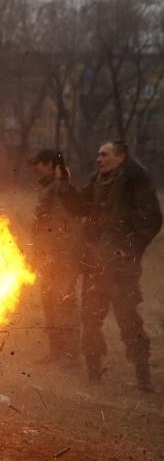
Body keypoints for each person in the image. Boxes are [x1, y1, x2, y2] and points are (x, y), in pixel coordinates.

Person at [62, 141, 161, 392]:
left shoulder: (135, 179)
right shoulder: (99, 179)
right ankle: (94, 374)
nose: (98, 159)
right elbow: (80, 207)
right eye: (98, 154)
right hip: (96, 265)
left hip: (121, 270)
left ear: (121, 156)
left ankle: (143, 377)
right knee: (90, 320)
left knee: (129, 322)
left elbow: (152, 219)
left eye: (104, 154)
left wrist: (129, 249)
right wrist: (65, 186)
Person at [26, 149, 81, 367]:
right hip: (49, 258)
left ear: (50, 164)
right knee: (49, 304)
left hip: (63, 258)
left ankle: (70, 356)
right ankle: (56, 351)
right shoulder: (48, 188)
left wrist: (57, 254)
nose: (34, 168)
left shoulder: (62, 189)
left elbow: (68, 225)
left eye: (38, 163)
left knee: (64, 304)